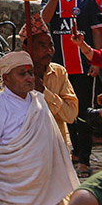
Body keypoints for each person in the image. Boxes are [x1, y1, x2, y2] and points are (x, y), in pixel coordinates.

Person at [0, 50, 78, 205]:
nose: (29, 78)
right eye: (22, 74)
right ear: (6, 79)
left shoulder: (39, 103)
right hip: (7, 201)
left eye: (30, 72)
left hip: (39, 198)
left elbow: (52, 147)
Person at [24, 12, 79, 144]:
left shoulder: (59, 72)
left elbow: (70, 115)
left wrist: (44, 92)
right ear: (26, 48)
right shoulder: (17, 75)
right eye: (42, 46)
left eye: (51, 46)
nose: (49, 51)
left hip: (54, 147)